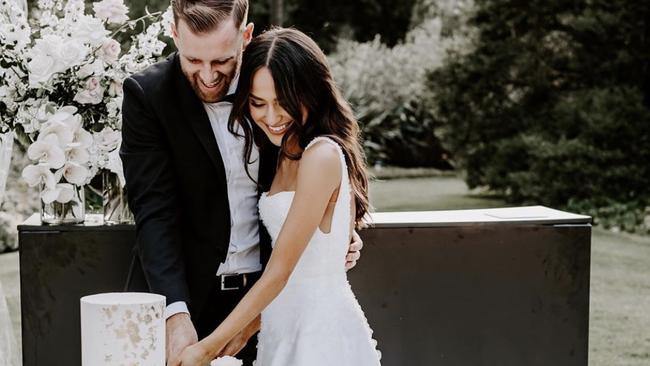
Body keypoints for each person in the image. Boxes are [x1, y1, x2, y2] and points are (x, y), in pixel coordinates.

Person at [119, 1, 363, 365]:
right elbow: (154, 212)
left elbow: (322, 155)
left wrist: (338, 228)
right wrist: (175, 312)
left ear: (245, 36)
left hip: (266, 306)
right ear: (174, 33)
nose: (207, 75)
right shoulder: (147, 95)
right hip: (183, 300)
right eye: (193, 61)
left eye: (220, 62)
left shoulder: (271, 80)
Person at [174, 27, 382, 366]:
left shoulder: (321, 155)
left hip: (319, 333)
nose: (271, 117)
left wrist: (208, 347)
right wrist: (248, 329)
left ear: (311, 92)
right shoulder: (284, 151)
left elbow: (281, 270)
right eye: (258, 103)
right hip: (282, 325)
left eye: (284, 102)